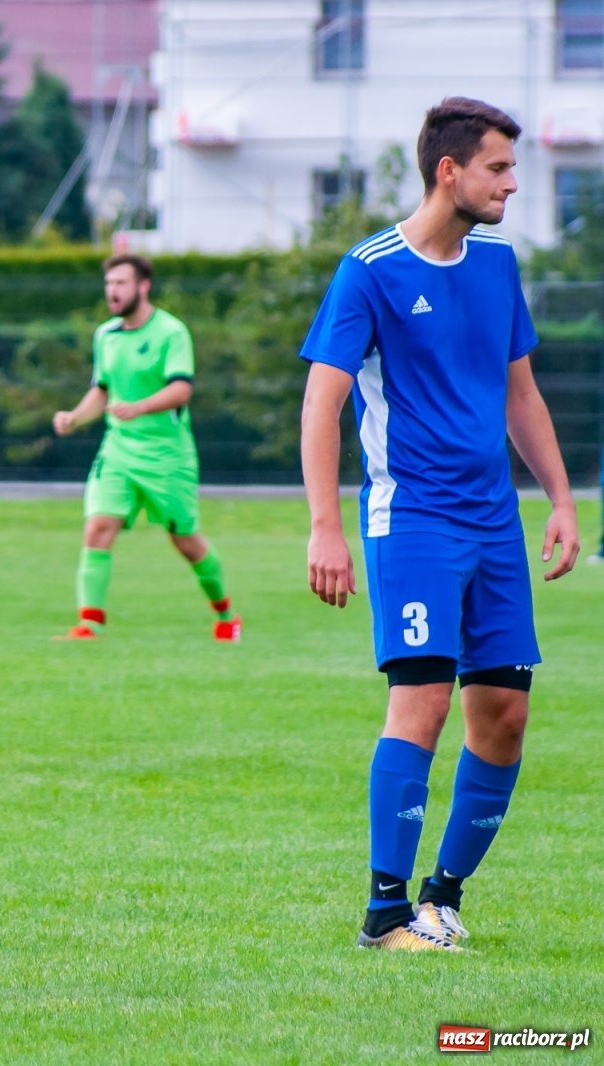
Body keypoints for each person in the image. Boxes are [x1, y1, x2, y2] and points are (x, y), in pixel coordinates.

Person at [301, 98, 580, 951]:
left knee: (502, 713)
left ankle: (440, 898)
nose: (513, 184)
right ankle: (385, 916)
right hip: (412, 518)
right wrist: (324, 526)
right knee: (420, 700)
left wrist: (562, 500)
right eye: (499, 168)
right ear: (448, 170)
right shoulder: (370, 270)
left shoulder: (496, 261)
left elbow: (520, 392)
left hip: (495, 522)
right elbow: (323, 402)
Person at [50, 254, 241, 642]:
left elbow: (181, 388)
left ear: (142, 286)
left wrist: (138, 407)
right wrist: (75, 417)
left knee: (185, 541)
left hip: (167, 454)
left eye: (120, 283)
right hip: (118, 450)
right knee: (98, 527)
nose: (112, 292)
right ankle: (89, 624)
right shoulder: (106, 335)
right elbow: (102, 390)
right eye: (108, 284)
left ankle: (226, 616)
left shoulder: (171, 332)